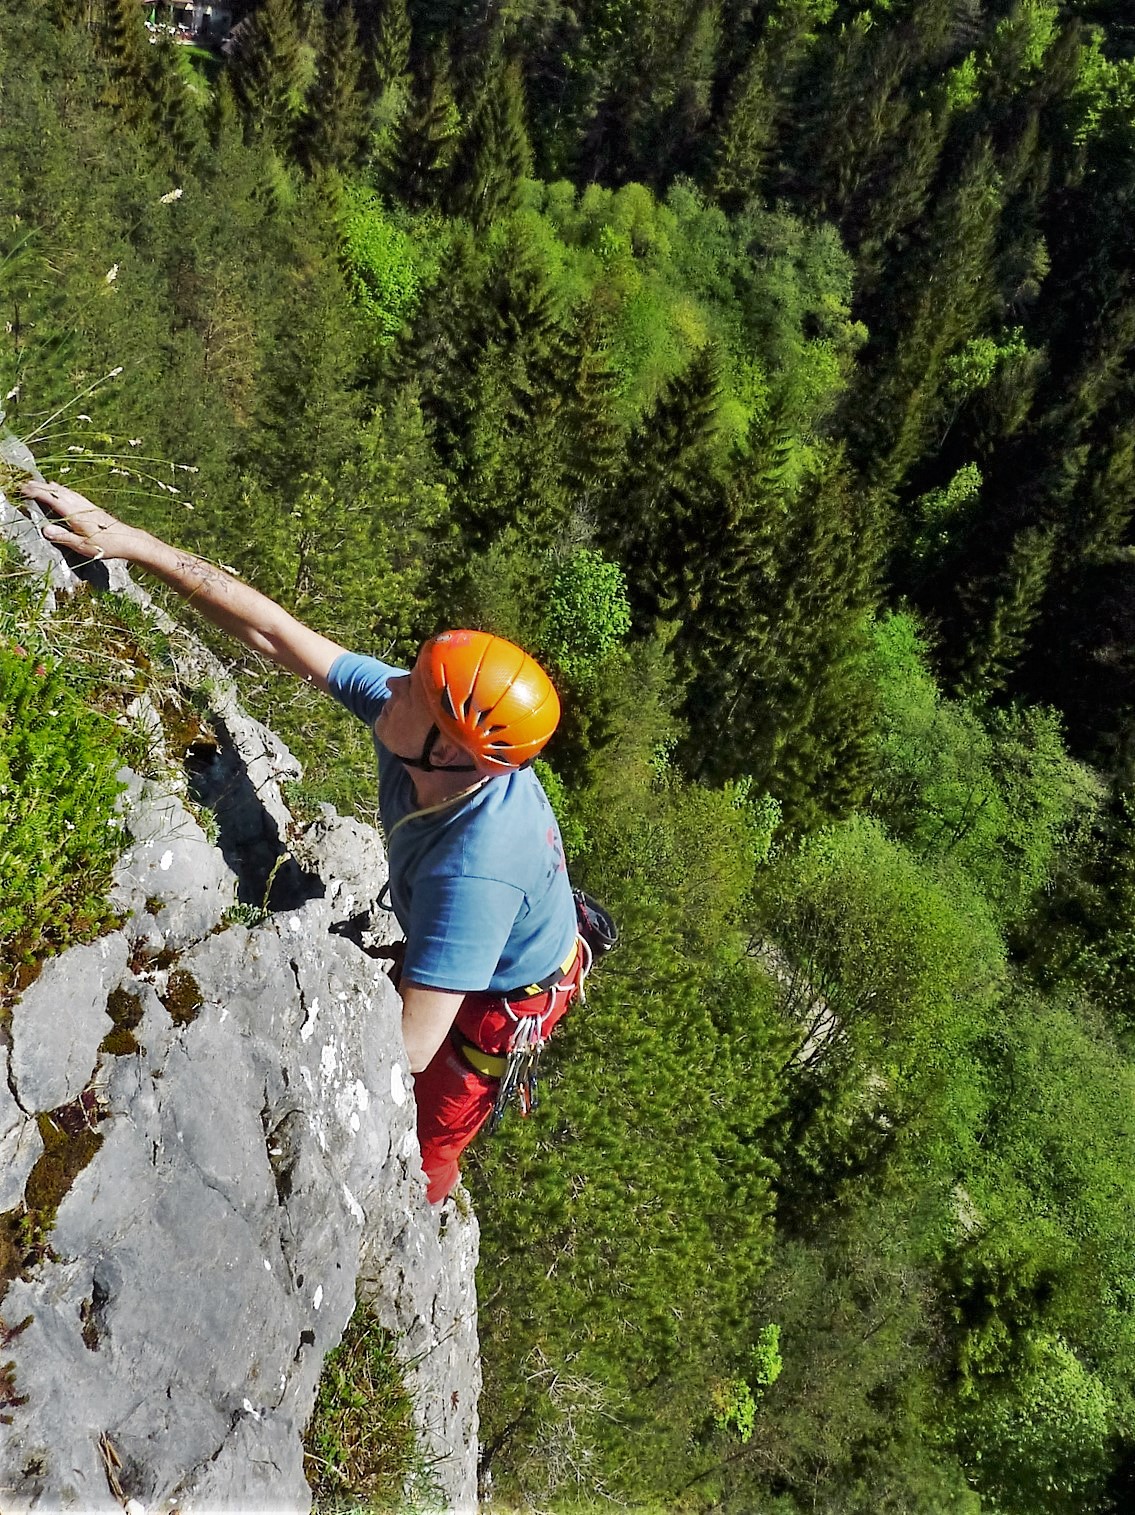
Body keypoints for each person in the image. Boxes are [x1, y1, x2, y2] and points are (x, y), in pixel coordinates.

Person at [22, 479, 585, 1205]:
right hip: (470, 923)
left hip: (503, 1003)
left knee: (431, 1139)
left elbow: (414, 1047)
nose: (393, 685)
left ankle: (415, 1208)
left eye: (414, 689)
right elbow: (274, 633)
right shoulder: (424, 728)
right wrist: (134, 544)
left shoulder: (473, 872)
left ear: (449, 751)